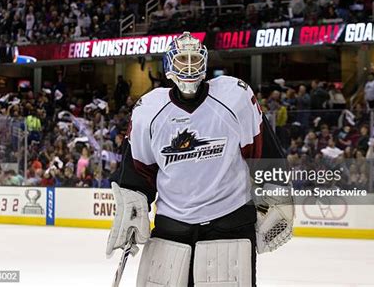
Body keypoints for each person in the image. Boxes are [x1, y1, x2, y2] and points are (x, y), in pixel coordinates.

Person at [106, 32, 293, 286]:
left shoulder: (235, 96)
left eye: (195, 58)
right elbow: (138, 171)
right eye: (183, 59)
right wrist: (133, 205)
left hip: (230, 222)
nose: (190, 66)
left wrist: (277, 196)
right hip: (172, 229)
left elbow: (265, 151)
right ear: (170, 65)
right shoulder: (148, 111)